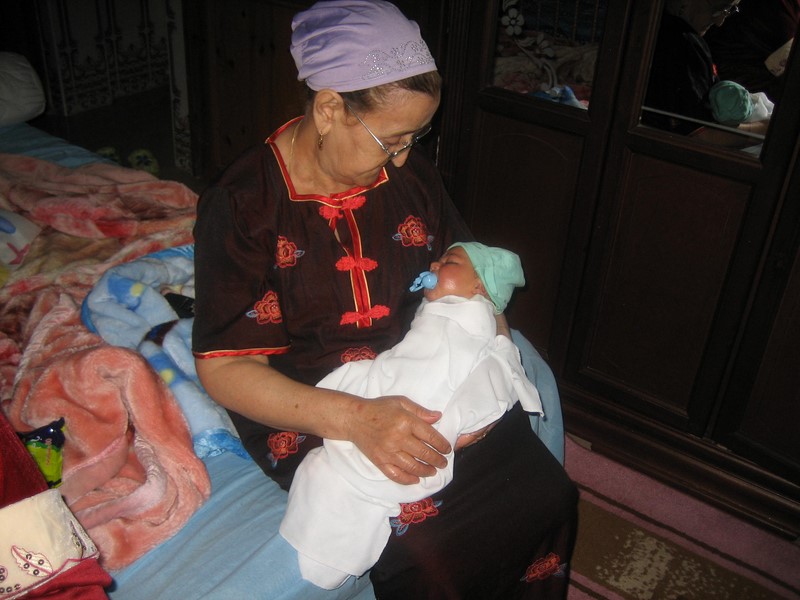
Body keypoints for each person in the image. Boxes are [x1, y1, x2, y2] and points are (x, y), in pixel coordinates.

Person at [192, 1, 577, 598]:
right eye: (391, 139)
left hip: (423, 369)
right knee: (434, 554)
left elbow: (474, 275)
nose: (403, 157)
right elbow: (226, 368)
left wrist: (493, 372)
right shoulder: (243, 206)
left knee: (547, 496)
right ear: (329, 109)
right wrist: (357, 420)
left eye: (414, 138)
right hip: (315, 401)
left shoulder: (410, 175)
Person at [281, 242, 544, 589]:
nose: (435, 263)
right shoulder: (435, 310)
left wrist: (462, 421)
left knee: (357, 471)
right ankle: (331, 532)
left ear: (479, 286)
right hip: (392, 379)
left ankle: (339, 540)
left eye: (449, 261)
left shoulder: (473, 324)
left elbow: (492, 371)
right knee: (322, 464)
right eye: (440, 257)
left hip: (421, 402)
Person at [643, 0, 770, 145]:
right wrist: (766, 129)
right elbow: (700, 136)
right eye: (718, 9)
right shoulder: (683, 44)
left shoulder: (649, 25)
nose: (719, 22)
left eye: (729, 11)